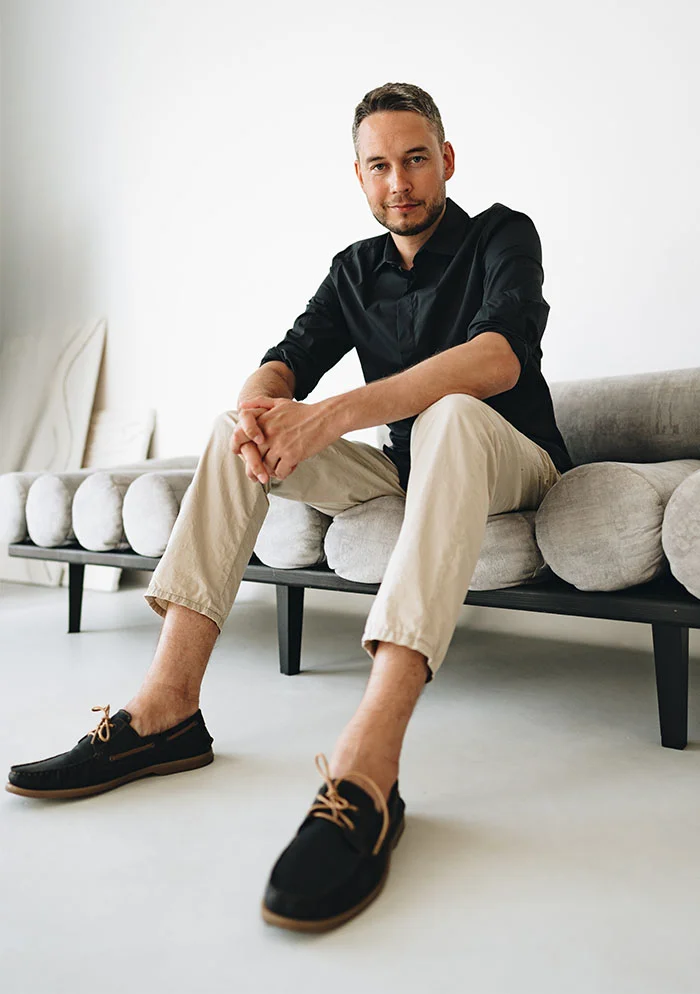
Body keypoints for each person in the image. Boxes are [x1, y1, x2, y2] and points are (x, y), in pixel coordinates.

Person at [6, 82, 573, 933]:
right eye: (379, 165)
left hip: (512, 461)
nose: (400, 182)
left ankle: (367, 765)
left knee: (454, 412)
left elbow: (496, 361)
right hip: (408, 470)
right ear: (358, 176)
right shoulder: (353, 270)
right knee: (240, 421)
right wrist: (264, 409)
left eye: (416, 159)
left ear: (446, 160)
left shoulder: (502, 233)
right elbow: (286, 360)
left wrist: (337, 412)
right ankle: (167, 708)